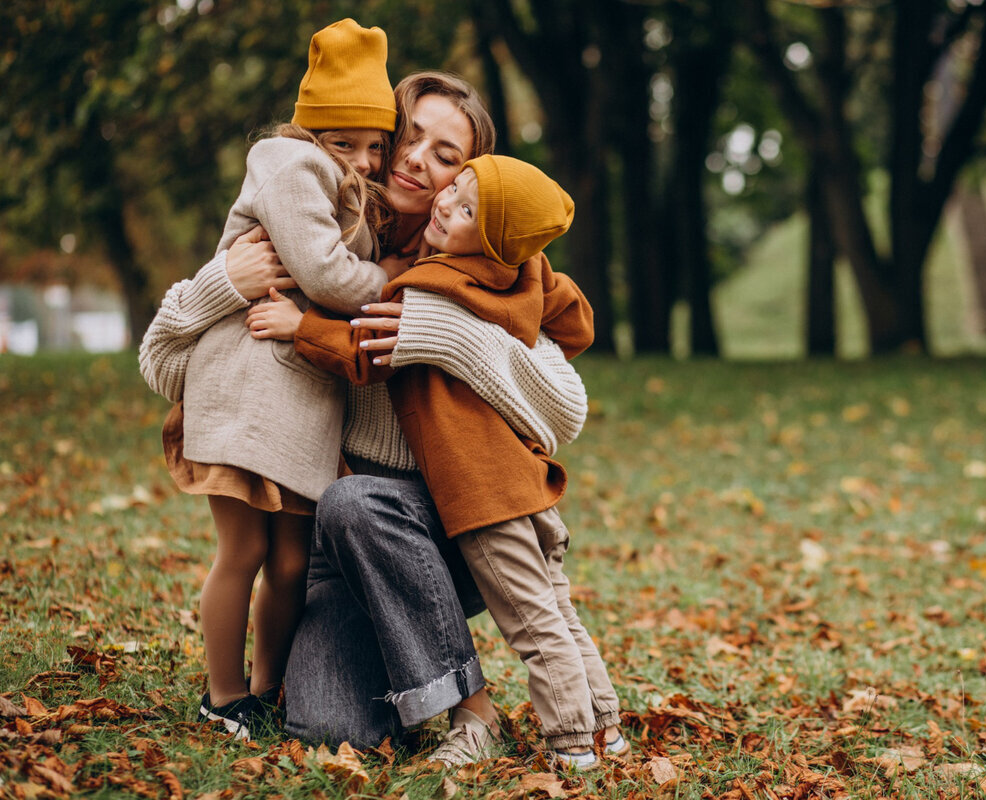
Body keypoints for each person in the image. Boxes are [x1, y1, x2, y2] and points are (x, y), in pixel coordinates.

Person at [139, 70, 589, 767]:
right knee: (327, 728)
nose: (416, 160)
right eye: (410, 137)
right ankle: (393, 664)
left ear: (470, 182)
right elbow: (166, 366)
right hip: (341, 544)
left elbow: (568, 407)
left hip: (447, 528)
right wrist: (223, 285)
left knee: (357, 502)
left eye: (446, 156)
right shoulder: (304, 238)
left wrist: (445, 333)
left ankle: (473, 708)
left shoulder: (484, 262)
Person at [258, 155, 625, 770]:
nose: (443, 202)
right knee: (554, 613)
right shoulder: (519, 273)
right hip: (517, 489)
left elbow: (367, 354)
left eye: (461, 193)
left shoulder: (430, 283)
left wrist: (303, 326)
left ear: (489, 235)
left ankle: (570, 743)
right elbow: (576, 317)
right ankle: (604, 727)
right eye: (451, 191)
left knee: (536, 627)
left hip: (476, 497)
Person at [139, 18, 400, 739]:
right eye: (346, 142)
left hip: (303, 405)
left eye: (376, 145)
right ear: (312, 130)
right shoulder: (288, 166)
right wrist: (389, 280)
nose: (366, 159)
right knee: (245, 550)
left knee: (291, 562)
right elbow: (324, 273)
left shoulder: (345, 183)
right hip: (248, 392)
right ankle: (222, 695)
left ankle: (267, 685)